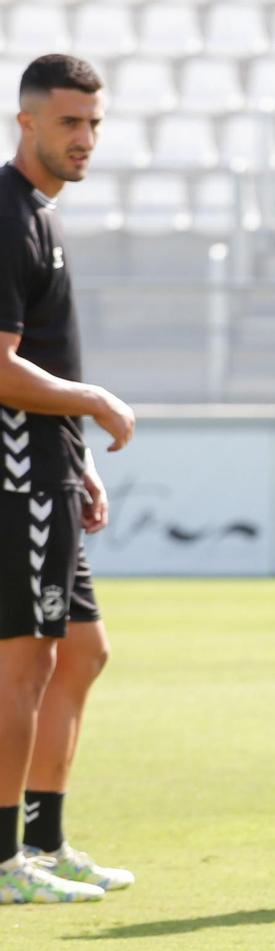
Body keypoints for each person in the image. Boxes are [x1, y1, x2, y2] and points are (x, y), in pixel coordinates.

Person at [0, 54, 137, 905]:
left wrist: (78, 455)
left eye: (93, 123)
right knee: (24, 666)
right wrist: (94, 401)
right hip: (16, 477)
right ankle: (5, 862)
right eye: (68, 123)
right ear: (26, 123)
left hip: (50, 468)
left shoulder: (38, 216)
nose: (84, 138)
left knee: (82, 654)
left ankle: (45, 843)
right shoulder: (6, 217)